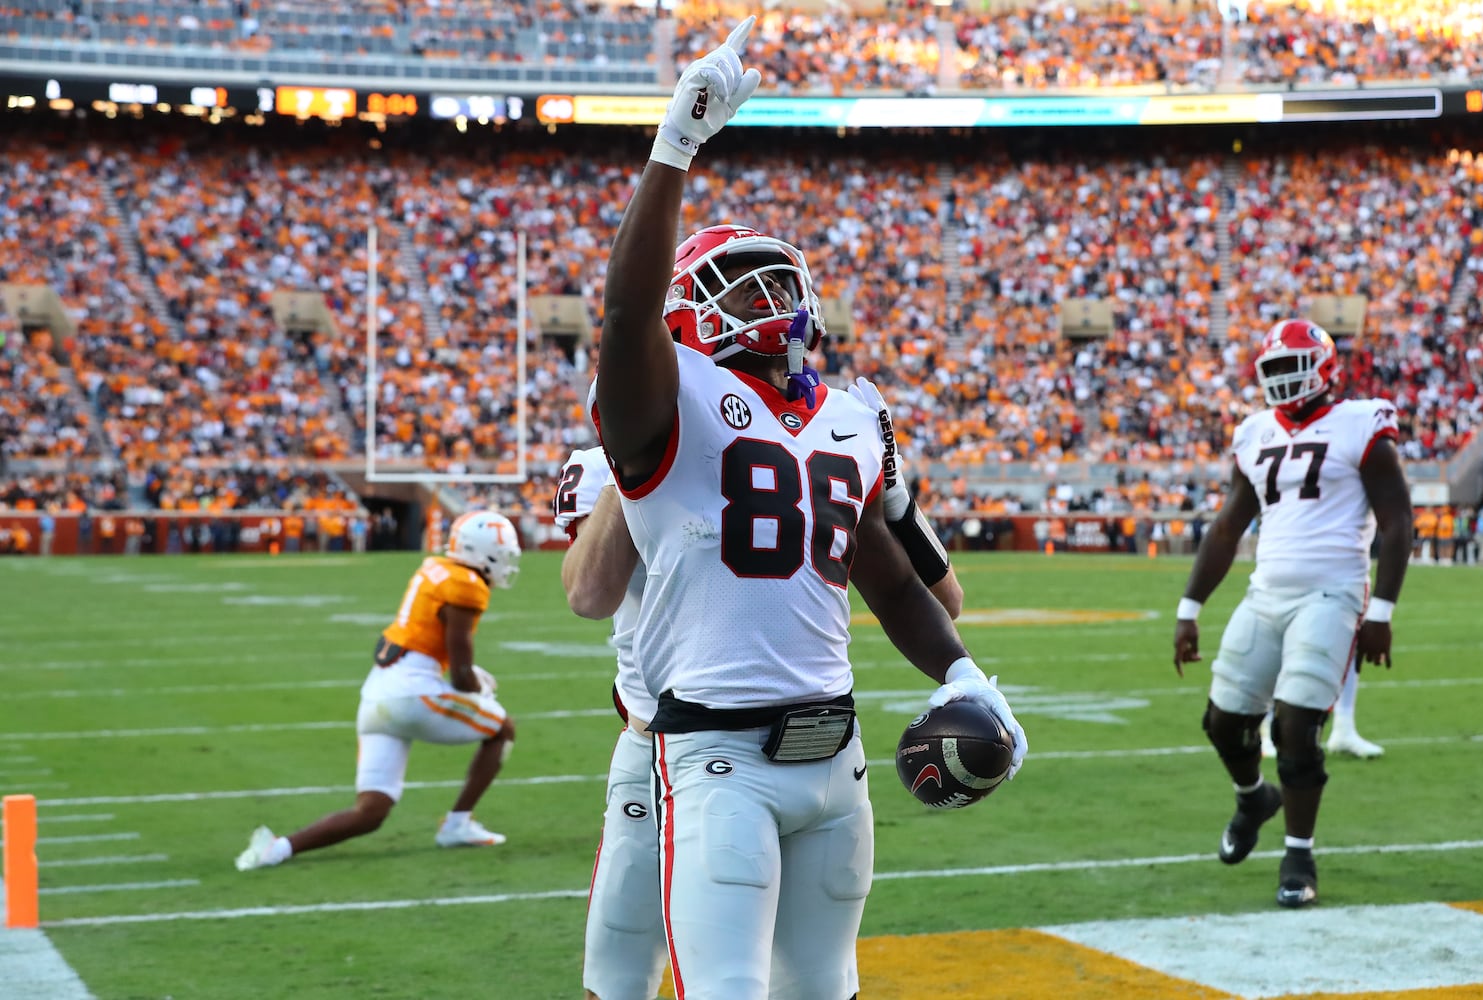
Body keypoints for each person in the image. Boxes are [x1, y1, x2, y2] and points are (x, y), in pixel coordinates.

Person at [590, 17, 1024, 997]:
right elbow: (624, 314)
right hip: (715, 757)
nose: (769, 292)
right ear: (688, 314)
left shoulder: (853, 418)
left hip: (838, 753)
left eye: (775, 276)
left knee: (826, 988)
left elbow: (890, 573)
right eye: (737, 283)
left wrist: (968, 672)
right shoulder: (670, 400)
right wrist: (674, 150)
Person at [559, 381, 962, 1000]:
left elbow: (942, 601)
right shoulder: (617, 453)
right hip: (661, 746)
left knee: (811, 977)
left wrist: (894, 491)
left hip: (793, 745)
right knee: (619, 971)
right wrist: (633, 466)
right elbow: (588, 595)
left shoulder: (792, 435)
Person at [1173, 319, 1413, 909]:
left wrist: (1381, 609)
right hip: (1265, 593)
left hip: (1332, 592)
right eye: (1273, 369)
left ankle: (1298, 853)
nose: (1282, 379)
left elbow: (1397, 520)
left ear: (1325, 368)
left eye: (1291, 367)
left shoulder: (1362, 423)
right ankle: (1254, 797)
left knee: (1296, 727)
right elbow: (1229, 525)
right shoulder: (1254, 433)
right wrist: (1189, 607)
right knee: (1224, 722)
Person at [235, 510, 522, 871]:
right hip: (412, 696)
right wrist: (478, 685)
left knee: (371, 811)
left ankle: (277, 849)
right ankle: (458, 823)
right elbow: (461, 677)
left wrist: (465, 676)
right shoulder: (466, 586)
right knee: (502, 728)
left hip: (377, 695)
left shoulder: (434, 568)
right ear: (484, 552)